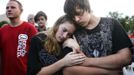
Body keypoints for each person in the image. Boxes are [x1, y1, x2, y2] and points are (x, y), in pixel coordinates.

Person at [63, 0, 133, 75]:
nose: (76, 19)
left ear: (88, 7)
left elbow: (126, 58)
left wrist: (87, 61)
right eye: (72, 17)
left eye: (79, 13)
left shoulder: (112, 24)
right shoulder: (73, 32)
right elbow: (68, 70)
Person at [0, 0, 37, 75]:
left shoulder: (30, 28)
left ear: (21, 11)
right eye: (7, 8)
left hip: (25, 72)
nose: (9, 9)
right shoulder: (2, 30)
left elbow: (37, 52)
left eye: (13, 7)